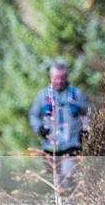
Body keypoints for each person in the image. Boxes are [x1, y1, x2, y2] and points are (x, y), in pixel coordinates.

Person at [28, 63, 91, 191]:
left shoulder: (76, 94)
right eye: (57, 77)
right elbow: (33, 116)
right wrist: (39, 127)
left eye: (62, 77)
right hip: (50, 146)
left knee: (68, 177)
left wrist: (86, 129)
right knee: (55, 181)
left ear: (67, 77)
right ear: (51, 77)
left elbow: (90, 113)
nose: (60, 81)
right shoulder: (43, 96)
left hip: (72, 144)